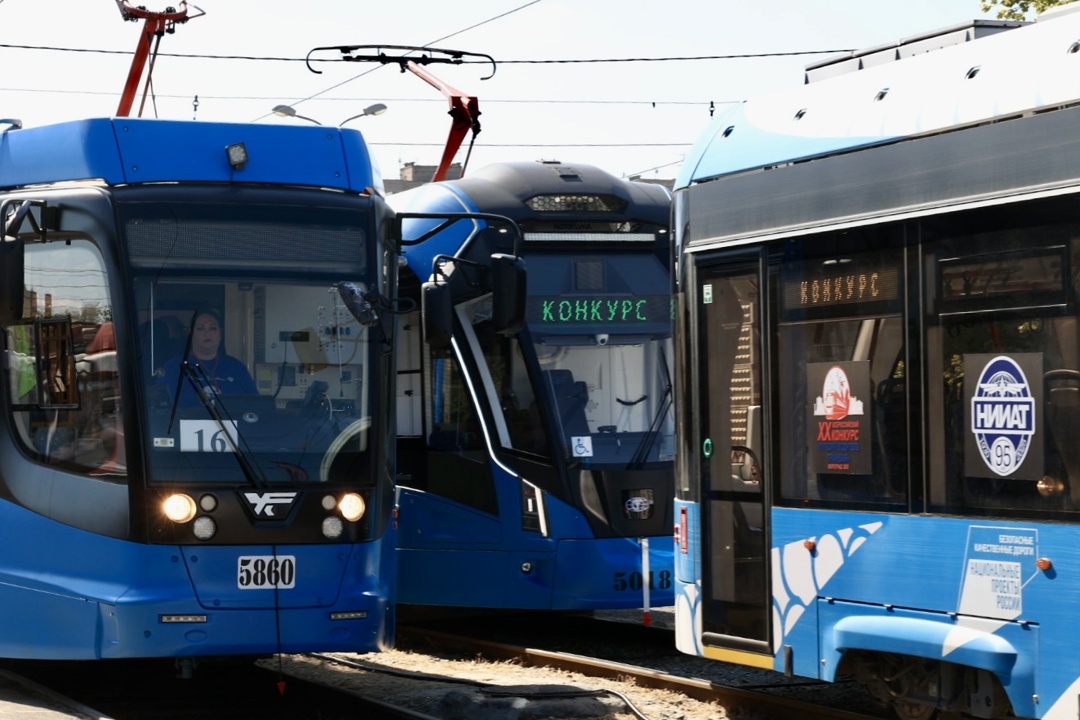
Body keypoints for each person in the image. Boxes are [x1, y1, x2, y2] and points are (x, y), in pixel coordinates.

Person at [160, 309, 257, 405]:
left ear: (220, 334)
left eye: (213, 328)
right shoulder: (174, 367)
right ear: (191, 334)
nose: (207, 333)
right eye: (200, 328)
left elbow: (255, 404)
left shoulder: (237, 367)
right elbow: (162, 407)